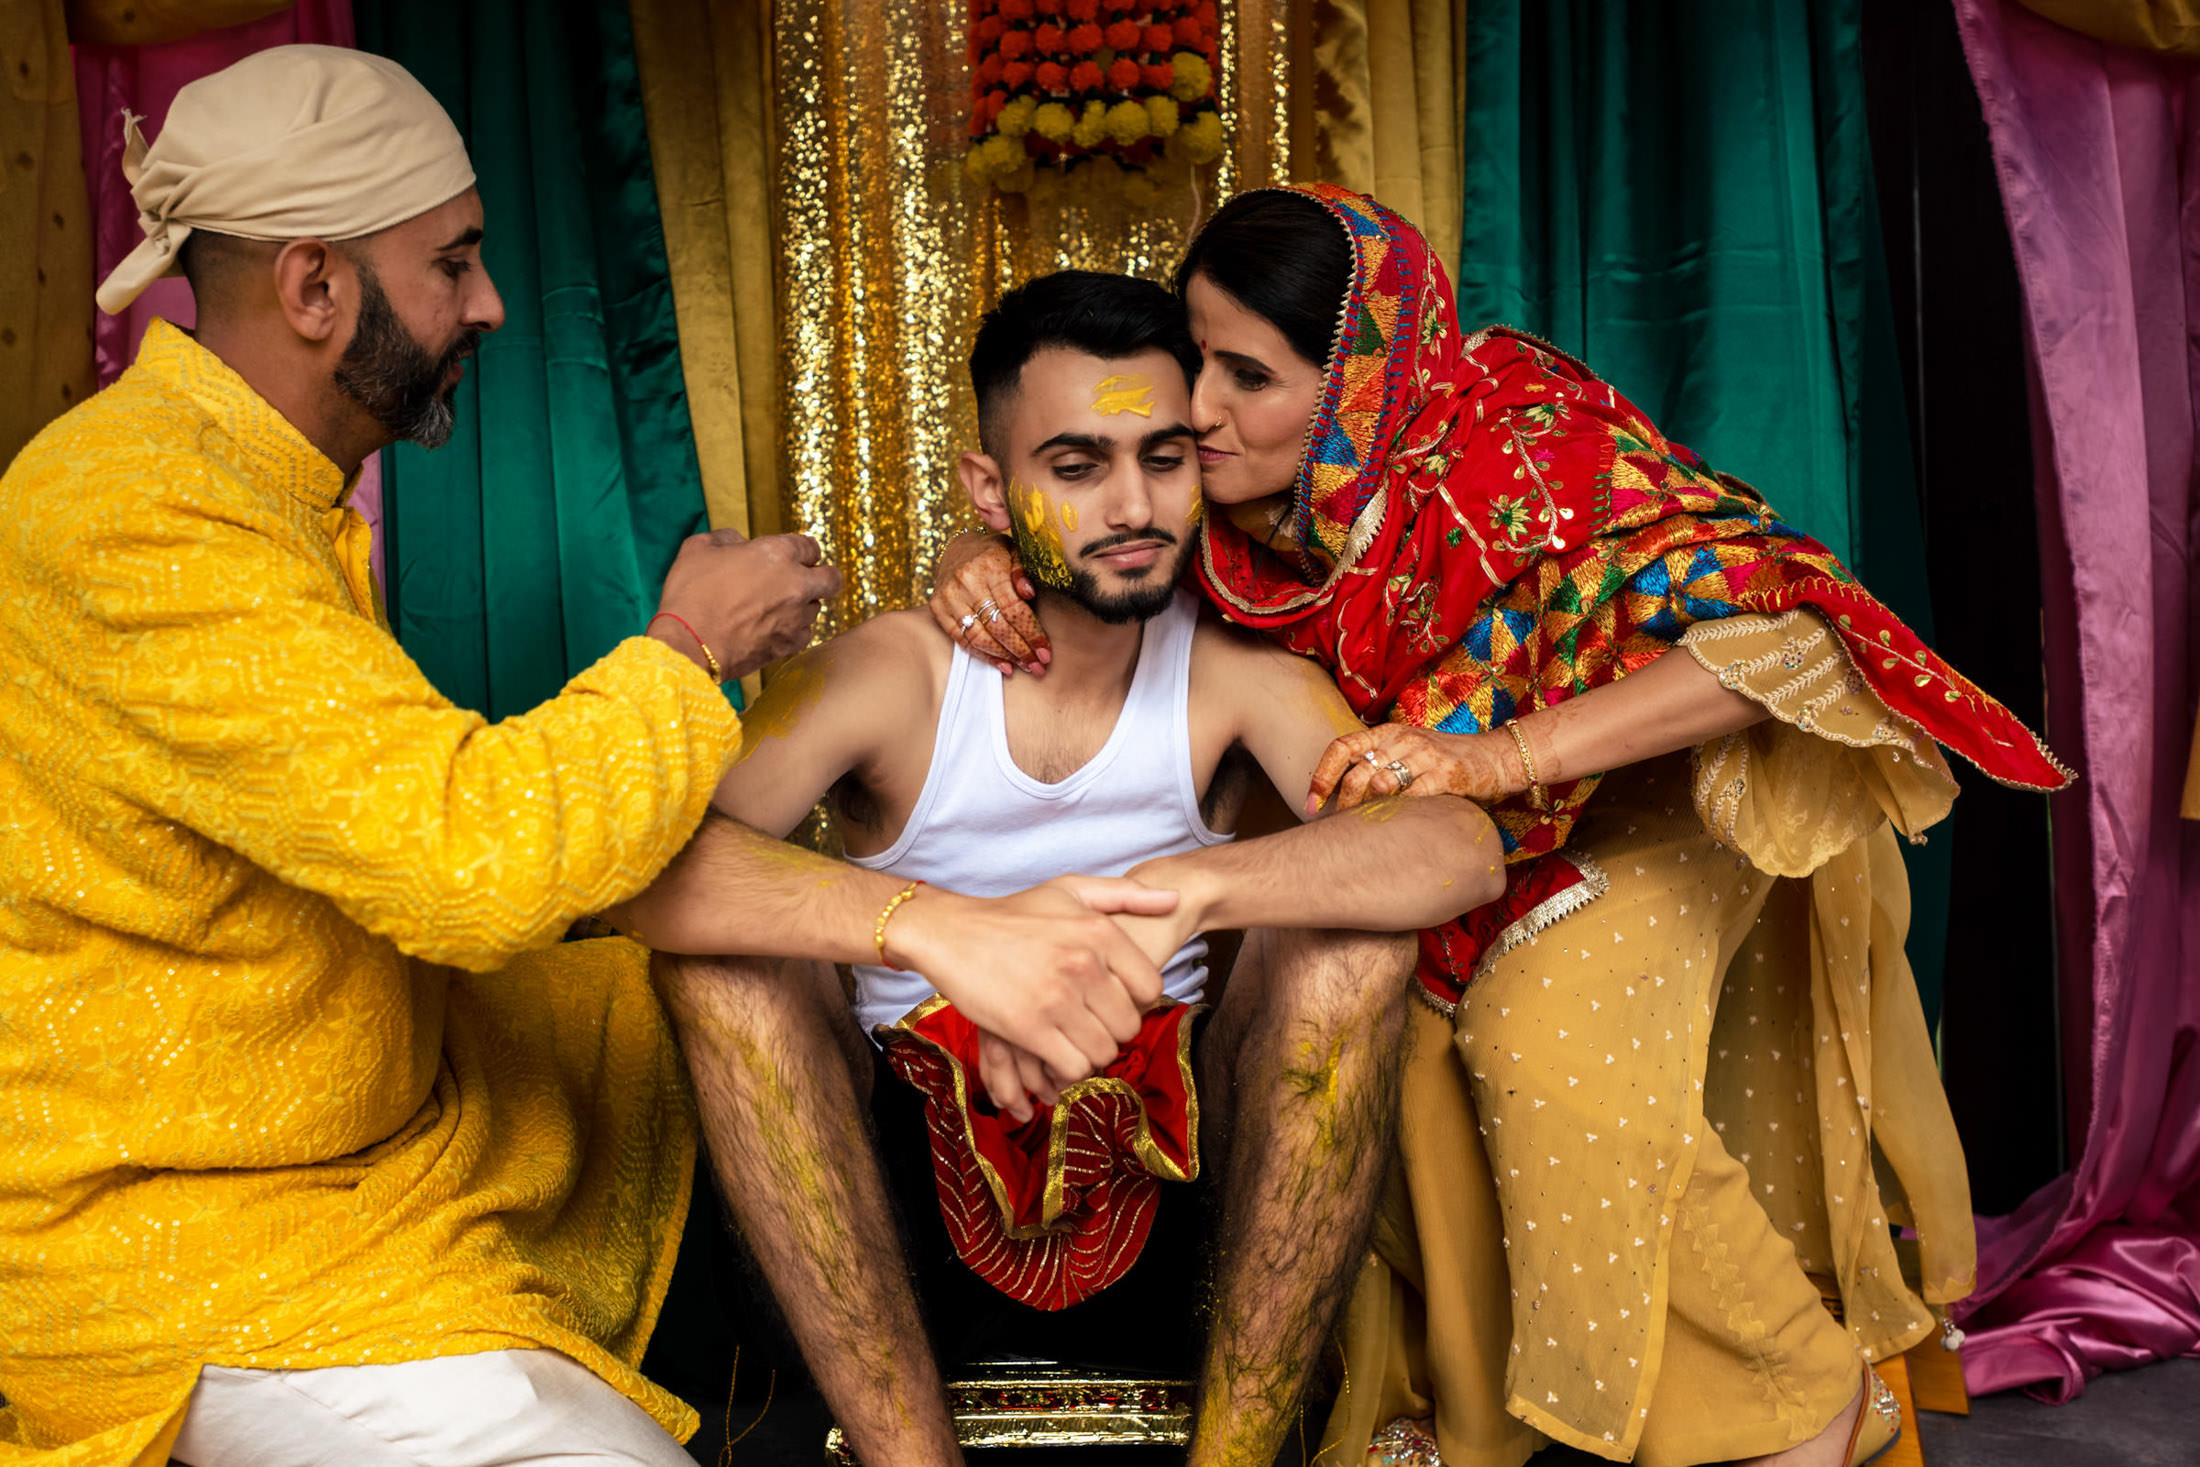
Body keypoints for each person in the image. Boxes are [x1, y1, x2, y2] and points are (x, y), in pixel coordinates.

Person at [933, 185, 2072, 1467]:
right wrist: (973, 556)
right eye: (1194, 359)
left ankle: (1806, 1398)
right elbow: (1076, 512)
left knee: (1544, 1040)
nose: (1194, 409)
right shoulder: (1243, 508)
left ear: (1357, 386)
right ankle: (1482, 1417)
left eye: (1245, 376)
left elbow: (1784, 636)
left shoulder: (1518, 443)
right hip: (1456, 834)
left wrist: (1497, 756)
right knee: (1384, 1037)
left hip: (1652, 797)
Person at [0, 44, 891, 1465]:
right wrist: (689, 644)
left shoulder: (248, 482)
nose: (489, 304)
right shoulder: (136, 512)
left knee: (720, 986)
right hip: (195, 1245)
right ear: (314, 288)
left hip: (374, 1152)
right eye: (453, 263)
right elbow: (472, 863)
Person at [613, 269, 1508, 1467]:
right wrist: (950, 934)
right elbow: (647, 872)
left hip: (1191, 1192)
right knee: (721, 973)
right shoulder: (891, 673)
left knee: (1351, 951)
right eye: (1077, 466)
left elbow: (1454, 848)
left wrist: (1186, 895)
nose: (1132, 505)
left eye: (1164, 458)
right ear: (991, 489)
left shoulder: (1237, 674)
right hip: (880, 1203)